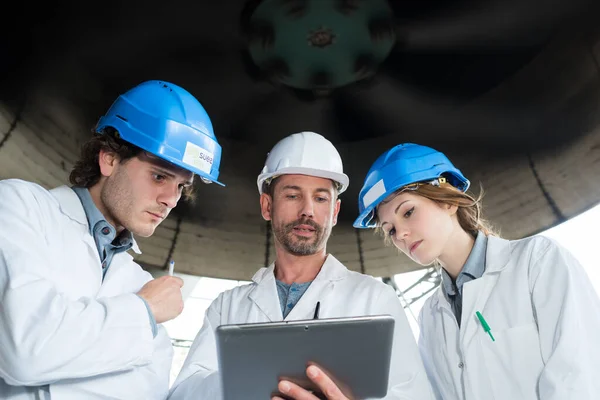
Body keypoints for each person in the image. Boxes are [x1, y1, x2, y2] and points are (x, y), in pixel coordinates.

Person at [0, 80, 224, 399]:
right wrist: (141, 312)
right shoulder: (18, 207)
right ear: (109, 159)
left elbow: (145, 392)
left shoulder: (140, 282)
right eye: (159, 176)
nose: (170, 199)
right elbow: (23, 351)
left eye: (181, 186)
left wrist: (61, 347)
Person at [168, 132, 434, 400]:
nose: (308, 210)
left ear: (334, 212)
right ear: (267, 205)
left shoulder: (375, 300)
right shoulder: (228, 308)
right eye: (293, 196)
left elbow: (415, 395)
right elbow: (182, 393)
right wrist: (245, 382)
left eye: (320, 199)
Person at [352, 142, 600, 399]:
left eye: (408, 211)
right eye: (389, 229)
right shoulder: (431, 317)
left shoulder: (538, 262)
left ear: (447, 201)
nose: (401, 234)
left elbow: (579, 377)